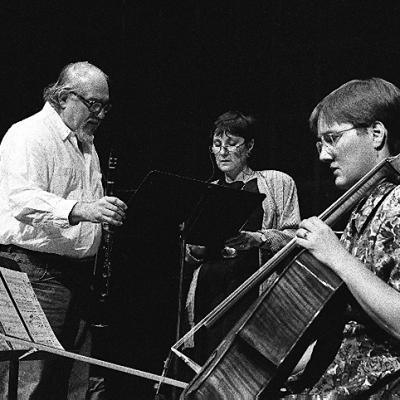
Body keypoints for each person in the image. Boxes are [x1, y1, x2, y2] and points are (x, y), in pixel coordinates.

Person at [0, 61, 127, 399]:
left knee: (77, 385)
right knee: (31, 381)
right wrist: (84, 210)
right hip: (37, 274)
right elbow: (22, 199)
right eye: (93, 104)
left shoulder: (86, 144)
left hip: (77, 277)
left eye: (105, 106)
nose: (100, 114)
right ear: (63, 97)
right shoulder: (29, 134)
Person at [284, 77, 400, 398]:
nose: (323, 155)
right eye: (320, 143)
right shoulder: (363, 208)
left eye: (333, 138)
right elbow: (342, 333)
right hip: (341, 378)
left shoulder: (398, 202)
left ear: (376, 134)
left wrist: (336, 256)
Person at [183, 110, 300, 365]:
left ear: (249, 146)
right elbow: (188, 255)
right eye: (217, 145)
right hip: (209, 292)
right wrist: (196, 250)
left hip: (253, 289)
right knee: (207, 365)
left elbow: (294, 236)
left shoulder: (277, 182)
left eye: (232, 144)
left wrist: (259, 238)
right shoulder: (207, 191)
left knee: (247, 366)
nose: (223, 152)